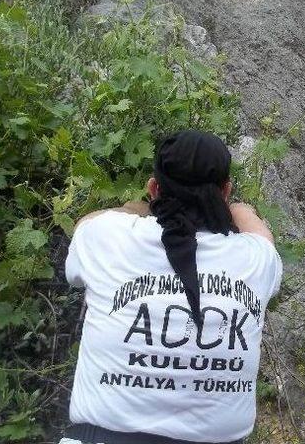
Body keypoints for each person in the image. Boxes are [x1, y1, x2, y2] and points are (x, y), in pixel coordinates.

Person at [60, 130, 283, 444]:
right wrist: (240, 208)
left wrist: (137, 208)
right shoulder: (256, 259)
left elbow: (86, 222)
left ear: (154, 187)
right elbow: (261, 235)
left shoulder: (106, 236)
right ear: (226, 191)